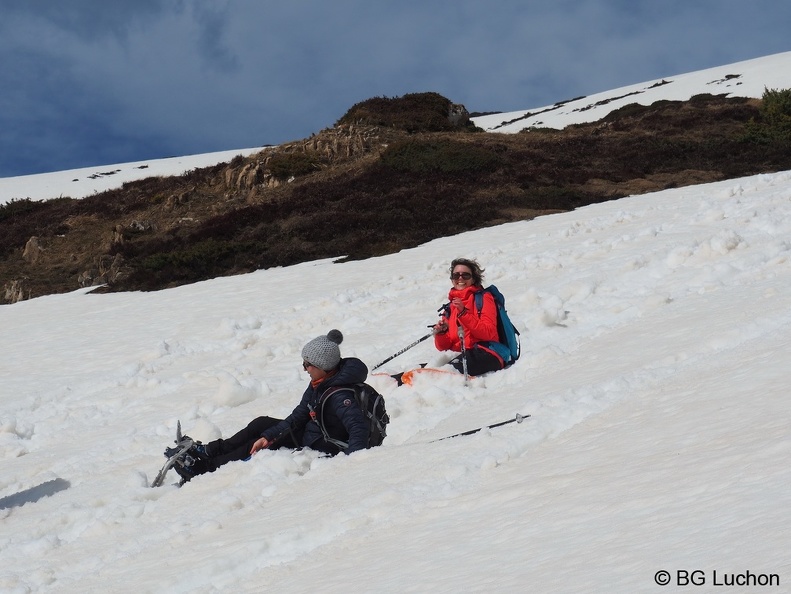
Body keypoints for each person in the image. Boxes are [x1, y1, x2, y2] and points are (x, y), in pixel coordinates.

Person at [166, 329, 370, 482]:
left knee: (258, 446)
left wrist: (350, 470)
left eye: (308, 365)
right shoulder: (320, 382)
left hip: (322, 444)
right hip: (312, 431)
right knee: (261, 425)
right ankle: (210, 450)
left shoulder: (340, 395)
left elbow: (358, 430)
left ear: (323, 366)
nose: (304, 368)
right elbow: (299, 414)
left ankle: (203, 469)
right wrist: (268, 435)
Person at [432, 258, 504, 376]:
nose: (460, 278)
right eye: (456, 275)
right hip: (461, 355)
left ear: (473, 279)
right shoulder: (451, 307)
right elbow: (444, 347)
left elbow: (489, 333)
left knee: (442, 373)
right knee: (428, 370)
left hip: (488, 352)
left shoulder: (484, 298)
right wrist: (441, 333)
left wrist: (464, 313)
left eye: (465, 275)